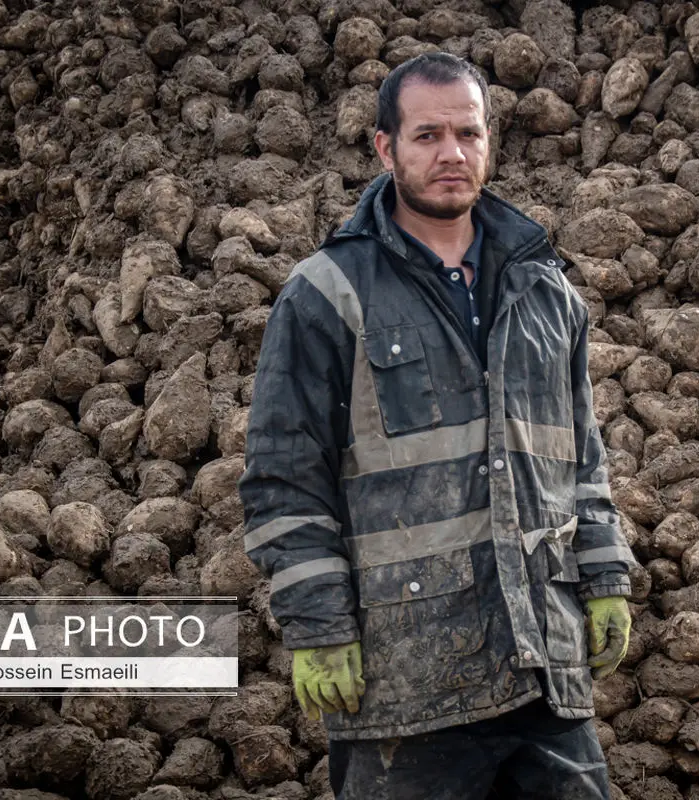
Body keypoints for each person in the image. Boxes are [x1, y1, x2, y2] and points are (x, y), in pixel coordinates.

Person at [239, 52, 635, 800]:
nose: (451, 153)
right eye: (427, 136)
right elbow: (284, 476)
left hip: (542, 656)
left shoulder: (546, 289)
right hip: (407, 679)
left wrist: (606, 575)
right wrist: (320, 626)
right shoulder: (329, 294)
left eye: (467, 133)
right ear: (386, 148)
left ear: (489, 143)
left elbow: (581, 452)